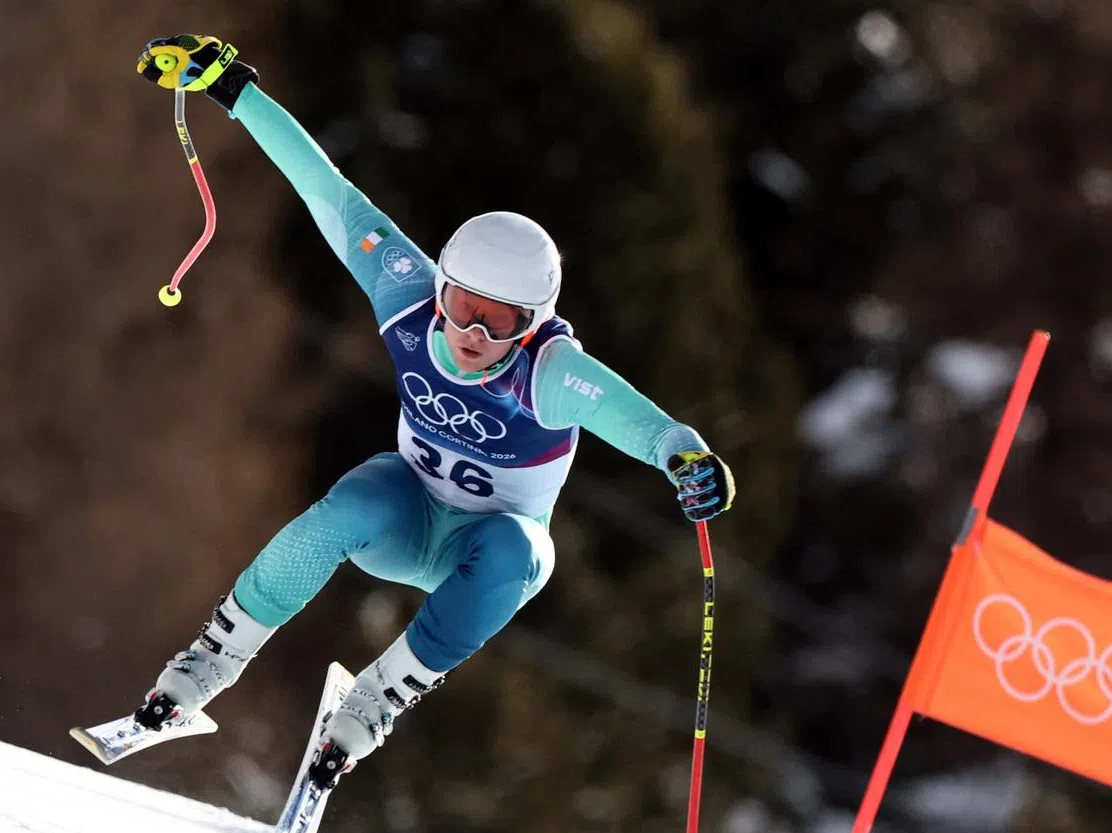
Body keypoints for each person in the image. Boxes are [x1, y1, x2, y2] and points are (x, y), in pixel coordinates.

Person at [132, 35, 736, 786]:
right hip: (404, 519)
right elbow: (326, 189)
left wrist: (690, 461)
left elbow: (648, 427)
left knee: (523, 553)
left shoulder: (550, 374)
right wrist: (231, 88)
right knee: (355, 498)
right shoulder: (405, 294)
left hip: (479, 555)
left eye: (504, 322)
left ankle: (376, 699)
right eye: (463, 308)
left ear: (536, 322)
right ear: (440, 286)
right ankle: (215, 658)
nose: (477, 336)